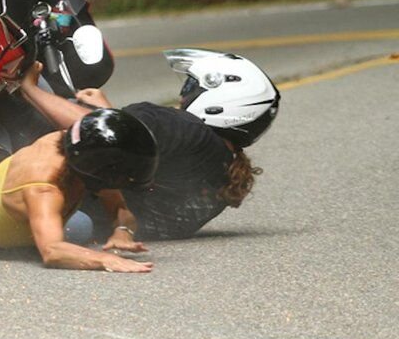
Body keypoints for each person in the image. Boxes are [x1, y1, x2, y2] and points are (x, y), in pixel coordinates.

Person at [19, 49, 280, 240]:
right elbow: (141, 166)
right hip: (76, 222)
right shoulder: (222, 168)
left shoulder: (183, 129)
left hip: (51, 197)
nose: (182, 95)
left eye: (191, 86)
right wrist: (112, 112)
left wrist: (29, 87)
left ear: (222, 99)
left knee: (28, 79)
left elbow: (95, 129)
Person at [0, 64, 159, 273]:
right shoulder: (44, 190)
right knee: (82, 227)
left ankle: (18, 86)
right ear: (100, 173)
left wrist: (123, 232)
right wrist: (106, 260)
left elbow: (120, 210)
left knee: (22, 98)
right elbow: (52, 251)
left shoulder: (76, 142)